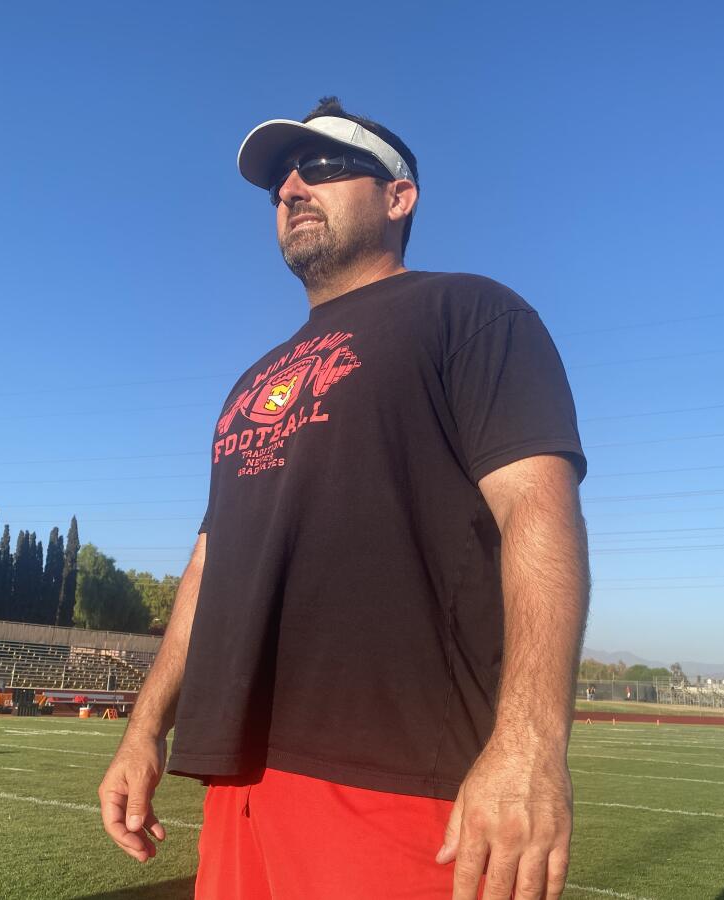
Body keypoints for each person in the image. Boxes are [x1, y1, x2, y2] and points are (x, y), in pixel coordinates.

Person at [98, 97, 589, 900]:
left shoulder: (469, 312)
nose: (291, 187)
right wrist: (144, 728)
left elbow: (538, 511)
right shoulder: (250, 380)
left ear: (400, 197)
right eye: (279, 181)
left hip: (395, 780)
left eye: (322, 166)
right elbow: (209, 564)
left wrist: (531, 743)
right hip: (236, 782)